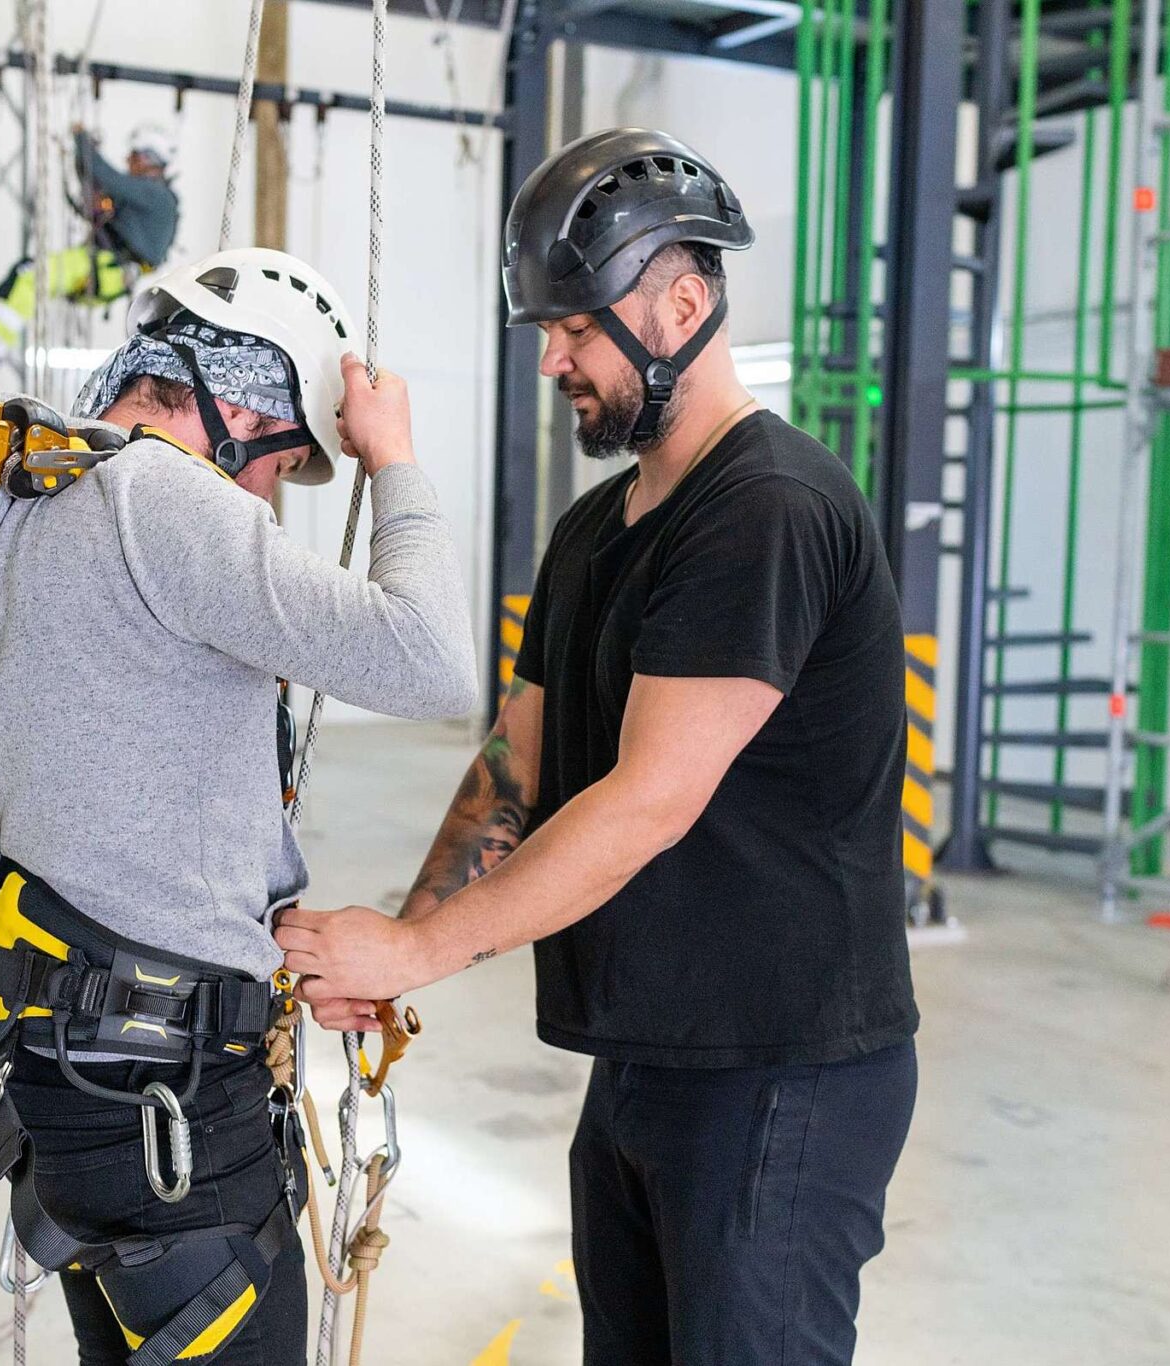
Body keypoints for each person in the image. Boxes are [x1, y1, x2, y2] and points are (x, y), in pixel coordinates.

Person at [276, 128, 920, 1365]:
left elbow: (645, 801)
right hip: (652, 1054)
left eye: (577, 328)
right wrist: (404, 950)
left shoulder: (763, 511)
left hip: (782, 1075)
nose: (557, 362)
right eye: (545, 333)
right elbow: (513, 764)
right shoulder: (591, 530)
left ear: (684, 301)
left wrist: (417, 945)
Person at [0, 245, 475, 1364]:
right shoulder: (161, 500)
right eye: (278, 467)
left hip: (57, 1076)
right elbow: (433, 662)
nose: (267, 499)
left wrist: (256, 929)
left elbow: (106, 776)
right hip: (168, 1107)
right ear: (241, 404)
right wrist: (394, 460)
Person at [0, 122, 183, 388]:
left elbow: (106, 177)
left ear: (148, 158)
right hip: (103, 266)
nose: (128, 161)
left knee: (31, 278)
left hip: (106, 267)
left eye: (133, 156)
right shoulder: (147, 197)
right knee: (22, 270)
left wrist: (81, 138)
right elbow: (98, 184)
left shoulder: (156, 195)